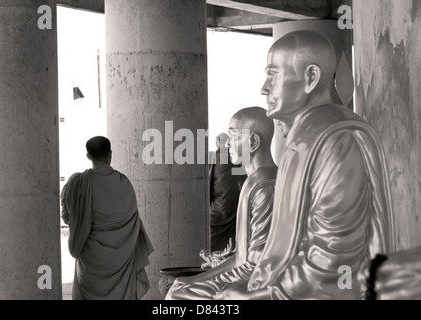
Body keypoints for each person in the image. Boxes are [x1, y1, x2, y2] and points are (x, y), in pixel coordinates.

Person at [214, 30, 395, 300]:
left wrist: (267, 294)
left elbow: (337, 260)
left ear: (310, 78)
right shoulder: (308, 135)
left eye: (272, 75)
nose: (264, 88)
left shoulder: (336, 138)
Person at [166, 107, 278, 300]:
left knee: (178, 295)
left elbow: (257, 265)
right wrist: (198, 279)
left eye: (233, 136)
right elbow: (243, 256)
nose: (228, 143)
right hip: (246, 268)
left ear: (252, 142)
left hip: (260, 281)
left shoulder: (265, 187)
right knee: (180, 286)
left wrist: (197, 282)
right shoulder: (255, 179)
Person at [61, 136, 154, 300]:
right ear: (110, 154)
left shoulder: (78, 184)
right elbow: (134, 225)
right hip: (121, 263)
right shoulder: (124, 183)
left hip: (91, 264)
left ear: (88, 156)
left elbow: (68, 218)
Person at [209, 133, 246, 252]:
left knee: (212, 244)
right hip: (234, 209)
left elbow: (210, 185)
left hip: (218, 211)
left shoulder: (216, 158)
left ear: (218, 142)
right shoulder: (239, 159)